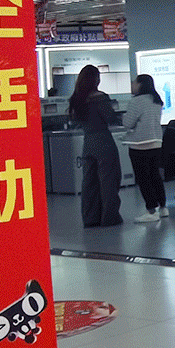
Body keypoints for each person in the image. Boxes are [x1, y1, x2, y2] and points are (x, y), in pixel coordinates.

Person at [68, 64, 122, 228]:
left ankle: (90, 218)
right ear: (96, 79)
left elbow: (75, 120)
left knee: (89, 182)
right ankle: (109, 217)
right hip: (103, 141)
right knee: (109, 180)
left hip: (88, 142)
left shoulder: (77, 99)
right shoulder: (100, 98)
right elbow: (110, 118)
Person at [123, 74, 167, 223]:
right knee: (155, 176)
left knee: (143, 178)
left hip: (139, 144)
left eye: (134, 83)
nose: (132, 85)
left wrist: (123, 118)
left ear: (140, 84)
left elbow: (128, 123)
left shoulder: (136, 101)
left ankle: (151, 210)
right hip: (156, 142)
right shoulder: (156, 100)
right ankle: (163, 207)